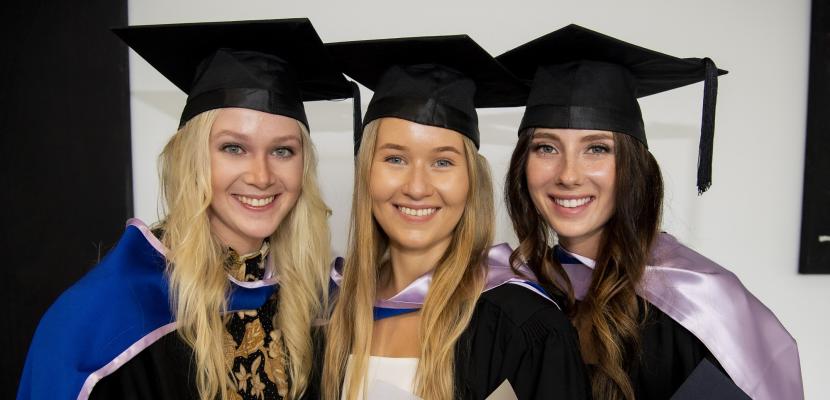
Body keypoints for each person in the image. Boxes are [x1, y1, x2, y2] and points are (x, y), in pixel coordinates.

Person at [17, 19, 358, 400]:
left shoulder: (321, 301)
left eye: (283, 151)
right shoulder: (101, 316)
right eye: (233, 147)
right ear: (191, 158)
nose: (262, 176)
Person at [500, 24, 803, 400]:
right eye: (547, 148)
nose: (568, 175)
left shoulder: (694, 304)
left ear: (633, 166)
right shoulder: (508, 291)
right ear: (522, 166)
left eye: (597, 148)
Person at [321, 35, 590, 400]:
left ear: (470, 181)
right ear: (366, 170)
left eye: (442, 162)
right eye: (395, 158)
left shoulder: (524, 325)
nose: (417, 187)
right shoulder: (330, 311)